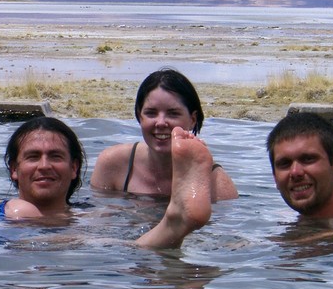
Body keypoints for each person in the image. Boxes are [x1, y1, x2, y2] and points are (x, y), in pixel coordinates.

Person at [6, 117, 213, 248]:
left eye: (55, 157)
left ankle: (174, 224)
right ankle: (172, 224)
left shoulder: (97, 219)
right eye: (33, 157)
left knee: (132, 253)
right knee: (128, 248)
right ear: (14, 169)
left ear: (74, 168)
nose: (44, 165)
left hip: (88, 272)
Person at [90, 68, 237, 202]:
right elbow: (96, 225)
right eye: (151, 113)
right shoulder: (113, 163)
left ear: (193, 119)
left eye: (173, 114)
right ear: (139, 116)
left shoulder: (216, 183)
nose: (160, 123)